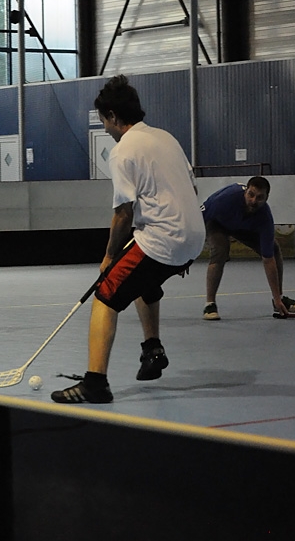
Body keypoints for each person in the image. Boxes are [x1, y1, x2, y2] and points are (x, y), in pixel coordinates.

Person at [51, 75, 206, 404]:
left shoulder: (123, 151)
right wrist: (184, 244)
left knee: (106, 295)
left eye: (103, 121)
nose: (105, 128)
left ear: (112, 116)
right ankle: (153, 349)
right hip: (193, 237)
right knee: (142, 279)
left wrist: (109, 257)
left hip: (163, 237)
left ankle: (95, 383)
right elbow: (191, 190)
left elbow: (123, 214)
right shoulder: (166, 138)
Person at [200, 177, 295, 320]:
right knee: (220, 252)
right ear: (245, 192)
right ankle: (210, 304)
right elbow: (197, 221)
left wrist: (276, 298)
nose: (254, 201)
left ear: (266, 198)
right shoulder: (224, 200)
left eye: (260, 197)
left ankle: (279, 300)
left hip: (242, 227)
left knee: (273, 249)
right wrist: (185, 257)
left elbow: (268, 259)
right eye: (251, 195)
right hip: (216, 223)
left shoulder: (265, 218)